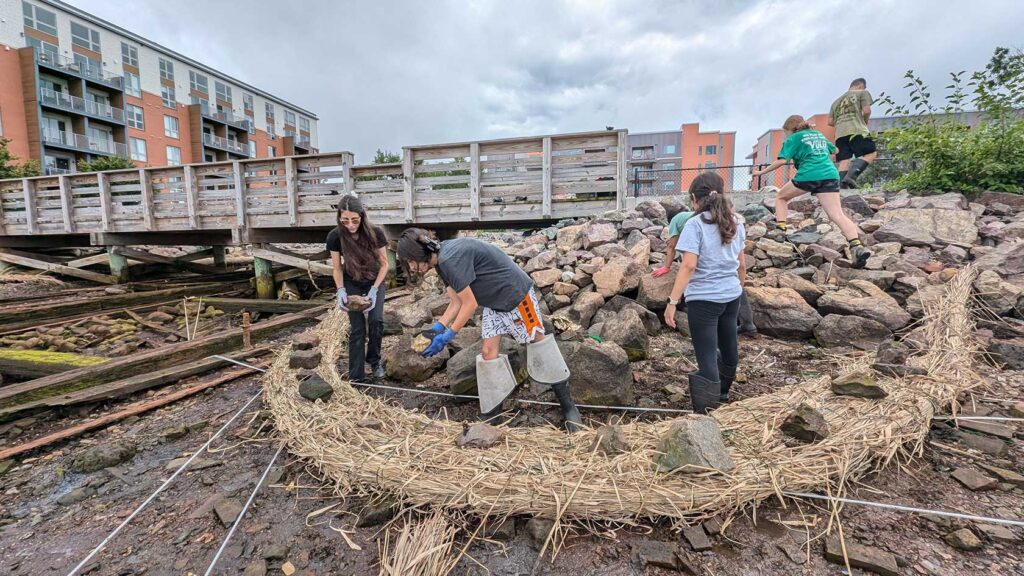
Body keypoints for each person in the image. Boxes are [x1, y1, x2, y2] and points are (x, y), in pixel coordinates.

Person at [396, 229, 582, 431]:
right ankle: (493, 417)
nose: (411, 267)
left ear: (416, 254)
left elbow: (470, 304)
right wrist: (436, 329)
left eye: (409, 262)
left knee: (539, 344)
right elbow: (455, 302)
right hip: (494, 302)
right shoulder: (441, 262)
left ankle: (568, 407)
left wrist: (449, 335)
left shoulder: (449, 259)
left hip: (515, 295)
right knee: (487, 353)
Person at [663, 173, 746, 414]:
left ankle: (706, 412)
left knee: (707, 355)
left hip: (704, 300)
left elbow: (689, 266)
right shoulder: (737, 221)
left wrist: (672, 301)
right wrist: (738, 288)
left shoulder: (695, 224)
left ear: (693, 198)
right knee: (729, 347)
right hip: (731, 296)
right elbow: (742, 264)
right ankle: (722, 394)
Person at [752, 115, 871, 269]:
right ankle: (856, 246)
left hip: (809, 174)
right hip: (830, 175)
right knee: (837, 214)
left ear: (790, 129)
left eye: (786, 132)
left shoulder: (793, 138)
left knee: (781, 197)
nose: (786, 135)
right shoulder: (818, 135)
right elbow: (835, 150)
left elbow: (782, 160)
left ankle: (781, 230)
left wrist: (761, 173)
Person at [655, 209, 758, 335]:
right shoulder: (718, 217)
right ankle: (748, 324)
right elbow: (741, 265)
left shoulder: (677, 221)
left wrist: (666, 267)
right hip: (725, 261)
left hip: (705, 286)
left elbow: (673, 247)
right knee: (732, 281)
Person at [327, 195, 389, 382]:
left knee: (376, 321)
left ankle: (374, 361)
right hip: (351, 281)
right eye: (345, 220)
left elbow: (385, 264)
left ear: (362, 216)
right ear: (339, 218)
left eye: (354, 220)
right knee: (357, 328)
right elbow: (337, 268)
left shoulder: (375, 233)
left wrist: (374, 290)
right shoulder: (335, 236)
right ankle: (356, 375)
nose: (350, 225)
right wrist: (340, 290)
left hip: (373, 280)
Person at [829, 78, 877, 188]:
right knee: (871, 153)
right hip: (857, 130)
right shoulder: (863, 93)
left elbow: (830, 122)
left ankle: (841, 188)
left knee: (844, 161)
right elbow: (867, 111)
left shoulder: (835, 102)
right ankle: (851, 176)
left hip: (840, 134)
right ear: (860, 86)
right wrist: (864, 121)